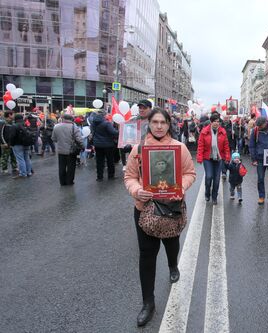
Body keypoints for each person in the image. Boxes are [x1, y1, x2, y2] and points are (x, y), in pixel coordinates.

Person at [124, 108, 196, 327]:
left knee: (171, 244)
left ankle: (173, 265)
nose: (158, 126)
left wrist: (179, 187)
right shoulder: (138, 149)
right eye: (155, 122)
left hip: (171, 207)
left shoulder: (179, 147)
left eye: (163, 122)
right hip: (145, 208)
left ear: (168, 125)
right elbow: (130, 177)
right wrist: (137, 191)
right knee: (147, 255)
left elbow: (190, 173)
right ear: (149, 123)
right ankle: (148, 303)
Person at [196, 112, 230, 205]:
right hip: (208, 158)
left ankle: (214, 197)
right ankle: (207, 193)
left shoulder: (223, 132)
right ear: (211, 122)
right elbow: (200, 145)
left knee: (217, 179)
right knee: (209, 177)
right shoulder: (204, 131)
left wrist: (227, 156)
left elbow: (226, 146)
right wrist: (199, 157)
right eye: (214, 121)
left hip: (218, 159)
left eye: (218, 121)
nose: (216, 123)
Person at [52, 114, 84, 186]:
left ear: (63, 118)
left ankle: (62, 182)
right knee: (71, 166)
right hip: (71, 151)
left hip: (61, 150)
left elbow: (53, 138)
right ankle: (69, 181)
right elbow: (78, 139)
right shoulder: (74, 127)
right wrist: (82, 146)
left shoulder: (56, 126)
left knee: (61, 167)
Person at [90, 111, 119, 181]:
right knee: (110, 161)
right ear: (103, 116)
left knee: (99, 161)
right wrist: (118, 130)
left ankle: (99, 177)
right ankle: (111, 176)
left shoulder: (92, 123)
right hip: (108, 145)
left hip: (97, 145)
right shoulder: (106, 123)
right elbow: (114, 132)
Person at [9, 113, 34, 179]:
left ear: (16, 119)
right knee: (27, 158)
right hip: (26, 143)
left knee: (20, 159)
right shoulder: (25, 124)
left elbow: (12, 136)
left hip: (17, 144)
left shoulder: (14, 126)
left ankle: (23, 173)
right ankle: (29, 172)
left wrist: (11, 144)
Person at [0, 110, 18, 175]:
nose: (14, 115)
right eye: (13, 114)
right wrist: (3, 142)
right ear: (10, 115)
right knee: (5, 156)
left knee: (13, 156)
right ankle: (4, 169)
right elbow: (1, 133)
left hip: (12, 143)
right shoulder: (3, 122)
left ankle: (14, 167)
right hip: (5, 143)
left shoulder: (13, 123)